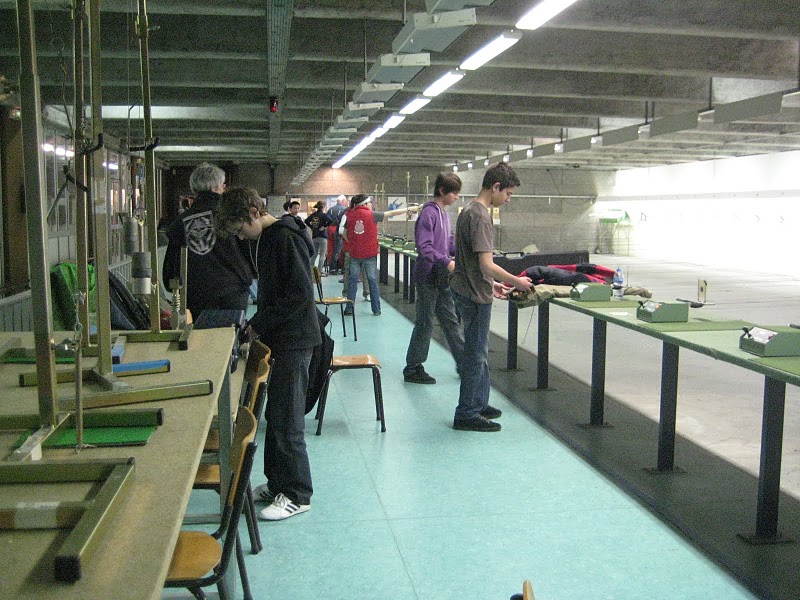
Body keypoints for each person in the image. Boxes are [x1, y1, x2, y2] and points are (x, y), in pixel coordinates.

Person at [213, 186, 320, 521]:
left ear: (252, 213)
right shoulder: (267, 239)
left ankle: (298, 493)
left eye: (239, 229)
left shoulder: (284, 238)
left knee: (288, 421)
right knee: (276, 416)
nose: (240, 236)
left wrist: (258, 324)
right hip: (282, 337)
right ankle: (277, 485)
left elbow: (299, 295)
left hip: (295, 339)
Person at [449, 163, 532, 432]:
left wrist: (492, 284)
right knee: (475, 354)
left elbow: (470, 262)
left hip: (469, 288)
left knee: (480, 351)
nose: (508, 199)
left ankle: (479, 402)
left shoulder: (467, 211)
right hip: (474, 296)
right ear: (495, 187)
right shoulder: (482, 217)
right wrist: (517, 281)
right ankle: (466, 413)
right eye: (507, 193)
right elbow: (486, 264)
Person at [162, 162, 253, 319]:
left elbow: (171, 268)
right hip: (233, 291)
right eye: (223, 185)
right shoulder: (232, 216)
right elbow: (248, 251)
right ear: (217, 187)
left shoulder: (180, 223)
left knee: (201, 333)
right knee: (231, 332)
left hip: (196, 294)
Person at [403, 172, 465, 384]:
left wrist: (464, 254)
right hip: (428, 278)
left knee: (451, 321)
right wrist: (446, 261)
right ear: (442, 191)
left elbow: (448, 244)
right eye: (454, 193)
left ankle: (464, 364)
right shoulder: (429, 214)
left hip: (442, 279)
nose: (457, 197)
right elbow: (425, 247)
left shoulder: (444, 215)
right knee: (425, 322)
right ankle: (413, 368)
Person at [342, 195, 419, 316]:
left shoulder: (350, 215)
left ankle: (349, 309)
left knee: (352, 281)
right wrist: (410, 209)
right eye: (369, 203)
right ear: (364, 204)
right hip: (369, 254)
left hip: (355, 254)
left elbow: (344, 233)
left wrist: (352, 243)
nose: (371, 205)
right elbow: (392, 212)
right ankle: (376, 309)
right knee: (372, 281)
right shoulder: (373, 215)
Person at [305, 200, 331, 272]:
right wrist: (324, 226)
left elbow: (306, 221)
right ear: (323, 207)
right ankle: (319, 271)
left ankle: (311, 269)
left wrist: (312, 227)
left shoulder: (313, 215)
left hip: (315, 235)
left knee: (314, 254)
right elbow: (331, 220)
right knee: (322, 255)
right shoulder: (324, 215)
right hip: (323, 236)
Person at [326, 195, 348, 273]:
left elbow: (326, 220)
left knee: (332, 249)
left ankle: (332, 267)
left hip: (330, 230)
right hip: (339, 230)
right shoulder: (344, 210)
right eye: (345, 201)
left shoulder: (330, 209)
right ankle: (339, 267)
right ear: (343, 201)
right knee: (340, 250)